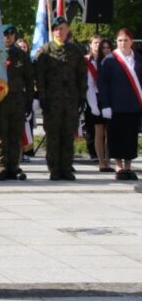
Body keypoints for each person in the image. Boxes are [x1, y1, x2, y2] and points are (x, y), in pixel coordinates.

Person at [35, 16, 86, 180]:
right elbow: (40, 77)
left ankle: (66, 168)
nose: (59, 32)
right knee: (53, 135)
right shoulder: (45, 50)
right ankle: (54, 168)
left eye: (62, 28)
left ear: (68, 30)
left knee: (68, 134)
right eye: (56, 29)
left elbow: (81, 76)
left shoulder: (75, 51)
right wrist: (42, 97)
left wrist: (82, 96)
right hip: (52, 101)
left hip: (70, 100)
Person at [98, 28, 142, 180]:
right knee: (116, 137)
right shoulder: (110, 60)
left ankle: (128, 167)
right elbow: (102, 84)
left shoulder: (138, 58)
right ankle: (118, 166)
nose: (123, 43)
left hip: (133, 106)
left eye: (126, 40)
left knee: (130, 137)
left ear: (131, 41)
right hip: (115, 107)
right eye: (120, 40)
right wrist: (105, 105)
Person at [0, 25, 33, 180]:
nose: (8, 37)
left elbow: (29, 80)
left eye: (11, 34)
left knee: (15, 135)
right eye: (5, 34)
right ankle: (2, 167)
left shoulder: (21, 55)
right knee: (0, 136)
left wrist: (29, 102)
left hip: (17, 101)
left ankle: (14, 167)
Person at [84, 35, 113, 172]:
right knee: (98, 131)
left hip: (108, 99)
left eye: (100, 43)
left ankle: (108, 160)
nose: (98, 46)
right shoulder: (87, 60)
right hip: (94, 99)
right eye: (95, 43)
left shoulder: (106, 61)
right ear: (90, 44)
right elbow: (89, 85)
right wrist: (93, 105)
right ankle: (101, 160)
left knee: (109, 131)